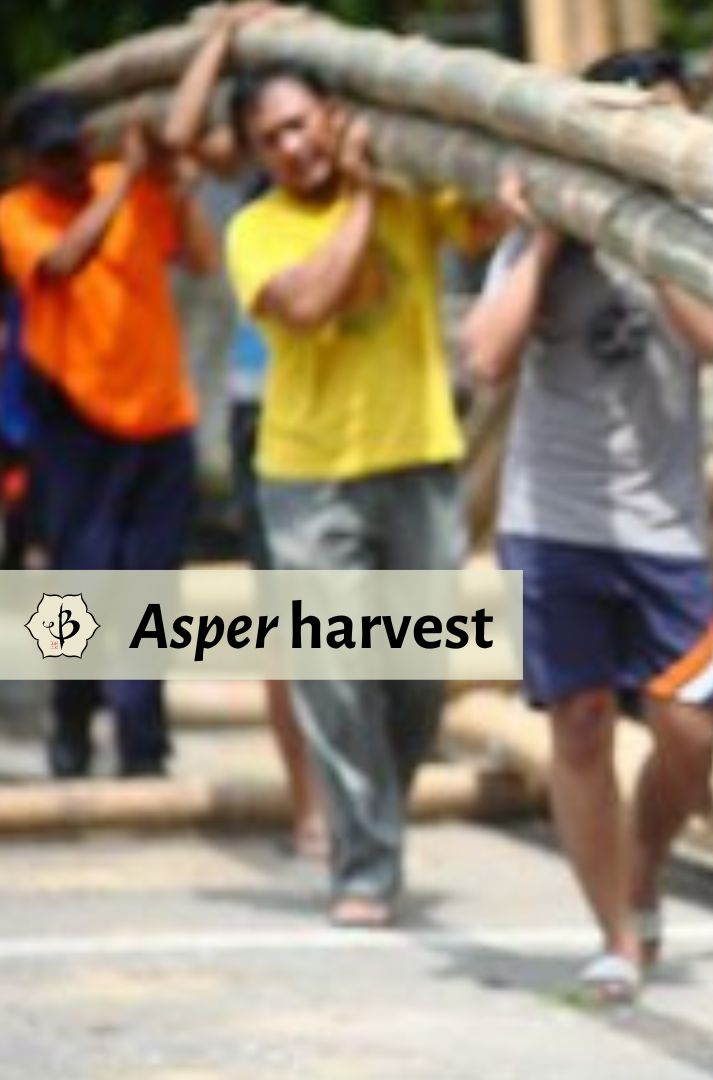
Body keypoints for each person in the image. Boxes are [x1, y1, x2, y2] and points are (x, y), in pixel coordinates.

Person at [459, 48, 713, 1002]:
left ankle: (643, 866)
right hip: (553, 519)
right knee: (577, 725)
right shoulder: (541, 230)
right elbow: (487, 358)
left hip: (665, 522)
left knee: (690, 730)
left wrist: (651, 241)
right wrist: (541, 241)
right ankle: (616, 933)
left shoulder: (701, 232)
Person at [225, 62, 498, 928]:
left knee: (413, 677)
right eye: (274, 137)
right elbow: (308, 303)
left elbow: (490, 219)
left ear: (334, 117)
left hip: (417, 458)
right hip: (307, 478)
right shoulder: (256, 228)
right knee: (334, 675)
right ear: (255, 153)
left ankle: (375, 818)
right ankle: (366, 864)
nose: (296, 146)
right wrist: (367, 198)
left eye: (305, 124)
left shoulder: (411, 190)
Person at [0, 90, 218, 779]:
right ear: (25, 161)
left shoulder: (126, 188)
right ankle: (70, 718)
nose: (71, 165)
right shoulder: (14, 214)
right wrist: (124, 178)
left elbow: (202, 258)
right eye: (54, 155)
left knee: (150, 586)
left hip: (159, 418)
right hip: (75, 424)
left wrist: (174, 185)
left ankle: (142, 736)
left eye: (77, 148)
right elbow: (63, 261)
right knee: (77, 583)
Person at [161, 0, 327, 860]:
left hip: (366, 414)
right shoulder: (258, 155)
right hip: (265, 401)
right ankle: (311, 807)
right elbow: (181, 138)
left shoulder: (346, 133)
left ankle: (359, 797)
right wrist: (219, 41)